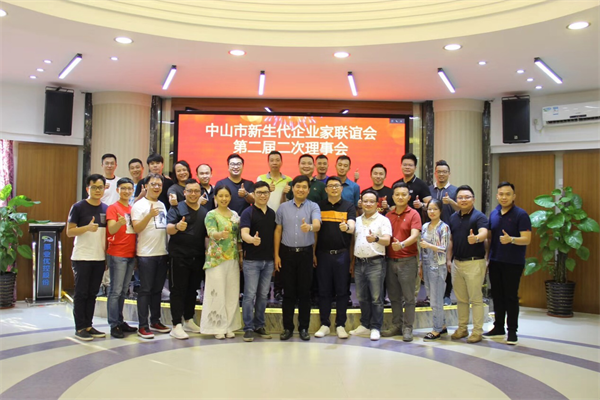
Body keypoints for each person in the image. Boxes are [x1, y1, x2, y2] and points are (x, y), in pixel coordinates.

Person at [275, 175, 321, 341]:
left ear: (308, 190)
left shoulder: (313, 206)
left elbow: (317, 225)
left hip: (305, 254)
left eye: (304, 187)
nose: (301, 189)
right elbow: (278, 231)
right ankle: (287, 328)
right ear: (292, 188)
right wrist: (276, 255)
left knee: (304, 293)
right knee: (288, 293)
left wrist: (309, 227)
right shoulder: (283, 207)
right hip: (286, 254)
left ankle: (304, 328)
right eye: (298, 186)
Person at [485, 182, 531, 345]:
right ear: (497, 196)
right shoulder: (494, 214)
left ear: (514, 196)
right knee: (497, 296)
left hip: (513, 262)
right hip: (495, 261)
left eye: (508, 194)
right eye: (501, 194)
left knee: (511, 296)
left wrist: (511, 239)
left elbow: (527, 239)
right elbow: (490, 238)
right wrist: (487, 258)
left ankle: (512, 331)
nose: (504, 197)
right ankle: (498, 326)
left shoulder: (521, 214)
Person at [66, 174, 109, 341]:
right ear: (87, 189)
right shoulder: (78, 207)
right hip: (82, 257)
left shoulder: (106, 208)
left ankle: (89, 325)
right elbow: (70, 232)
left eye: (100, 187)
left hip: (99, 257)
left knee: (92, 294)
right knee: (81, 293)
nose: (98, 190)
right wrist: (86, 228)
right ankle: (80, 327)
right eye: (94, 187)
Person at [314, 176, 356, 339]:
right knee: (323, 291)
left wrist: (347, 227)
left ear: (341, 188)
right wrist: (313, 253)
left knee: (342, 291)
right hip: (323, 254)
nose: (333, 188)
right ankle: (325, 324)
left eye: (336, 186)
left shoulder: (348, 206)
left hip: (342, 255)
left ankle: (340, 325)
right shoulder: (319, 206)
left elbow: (352, 226)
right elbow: (316, 232)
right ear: (326, 189)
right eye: (330, 186)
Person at [166, 179, 208, 340]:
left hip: (197, 257)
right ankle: (176, 324)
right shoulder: (177, 208)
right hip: (179, 256)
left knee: (192, 290)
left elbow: (206, 235)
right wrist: (177, 227)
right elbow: (168, 228)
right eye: (189, 191)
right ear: (184, 193)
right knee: (178, 290)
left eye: (196, 191)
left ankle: (189, 319)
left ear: (200, 193)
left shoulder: (204, 212)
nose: (193, 194)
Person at [131, 173, 171, 339]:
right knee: (145, 290)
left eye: (159, 185)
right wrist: (148, 215)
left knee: (157, 290)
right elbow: (136, 228)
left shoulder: (162, 204)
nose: (156, 187)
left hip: (162, 252)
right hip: (146, 254)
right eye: (153, 184)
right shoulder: (139, 205)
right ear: (145, 186)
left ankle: (155, 321)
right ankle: (142, 325)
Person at [200, 185, 243, 339]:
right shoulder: (211, 215)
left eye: (226, 196)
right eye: (221, 196)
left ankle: (229, 325)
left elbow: (238, 238)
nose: (224, 199)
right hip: (216, 260)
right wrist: (220, 234)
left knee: (232, 293)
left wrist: (240, 256)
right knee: (216, 293)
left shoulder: (235, 215)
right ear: (216, 198)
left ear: (230, 198)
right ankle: (217, 326)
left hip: (232, 258)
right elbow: (211, 233)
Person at [448, 185, 489, 344]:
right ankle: (462, 328)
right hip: (457, 262)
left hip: (474, 262)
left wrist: (476, 238)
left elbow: (484, 233)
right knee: (461, 299)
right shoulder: (453, 217)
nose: (463, 200)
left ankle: (477, 331)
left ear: (473, 199)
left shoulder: (479, 217)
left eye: (467, 197)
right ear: (456, 200)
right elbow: (451, 240)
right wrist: (449, 259)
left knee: (476, 299)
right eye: (460, 197)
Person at [350, 189, 392, 341]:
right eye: (365, 201)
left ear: (377, 204)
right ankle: (365, 325)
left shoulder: (383, 220)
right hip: (359, 262)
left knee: (376, 298)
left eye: (371, 201)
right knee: (362, 297)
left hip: (376, 263)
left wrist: (376, 239)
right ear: (361, 202)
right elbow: (353, 242)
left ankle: (375, 327)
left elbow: (387, 241)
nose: (368, 204)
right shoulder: (357, 220)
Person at [382, 182, 421, 341]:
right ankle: (396, 325)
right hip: (390, 261)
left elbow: (415, 235)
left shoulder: (414, 214)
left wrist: (402, 244)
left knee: (409, 297)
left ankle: (408, 327)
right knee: (394, 296)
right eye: (397, 194)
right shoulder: (388, 216)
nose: (400, 197)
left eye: (403, 194)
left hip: (408, 261)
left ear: (409, 197)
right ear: (393, 197)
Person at [240, 181, 276, 342]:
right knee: (249, 295)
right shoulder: (248, 212)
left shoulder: (272, 213)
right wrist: (252, 240)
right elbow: (244, 234)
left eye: (266, 192)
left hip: (268, 261)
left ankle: (259, 325)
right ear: (253, 194)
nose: (263, 195)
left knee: (263, 295)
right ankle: (248, 328)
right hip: (252, 261)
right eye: (259, 193)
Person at [106, 177, 138, 338]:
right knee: (115, 291)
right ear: (118, 190)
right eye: (123, 188)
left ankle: (120, 320)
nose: (126, 191)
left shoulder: (132, 209)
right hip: (117, 254)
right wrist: (119, 223)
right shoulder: (113, 208)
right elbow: (111, 230)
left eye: (129, 188)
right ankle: (114, 324)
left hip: (131, 254)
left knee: (124, 291)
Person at [419, 199, 450, 341]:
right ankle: (441, 325)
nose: (432, 212)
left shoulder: (444, 227)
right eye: (429, 209)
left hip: (438, 266)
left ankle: (436, 329)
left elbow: (443, 248)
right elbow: (421, 247)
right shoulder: (425, 226)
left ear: (440, 211)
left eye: (435, 209)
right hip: (426, 264)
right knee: (431, 297)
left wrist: (429, 246)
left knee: (436, 299)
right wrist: (420, 265)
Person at [429, 160, 459, 306]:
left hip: (449, 234)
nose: (441, 174)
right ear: (435, 173)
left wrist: (452, 202)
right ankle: (432, 295)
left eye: (444, 172)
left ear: (449, 173)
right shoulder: (429, 190)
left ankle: (447, 295)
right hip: (431, 233)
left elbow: (462, 209)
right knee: (431, 264)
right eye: (439, 171)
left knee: (447, 264)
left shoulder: (455, 191)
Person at [392, 153, 431, 218]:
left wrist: (421, 204)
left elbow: (431, 204)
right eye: (405, 165)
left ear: (415, 168)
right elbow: (392, 205)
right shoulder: (396, 184)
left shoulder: (421, 184)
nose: (407, 167)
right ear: (401, 166)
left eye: (410, 165)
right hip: (398, 219)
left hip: (415, 219)